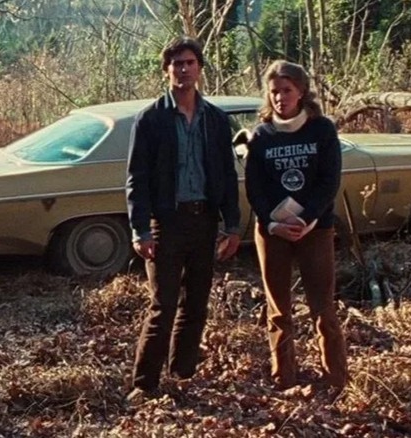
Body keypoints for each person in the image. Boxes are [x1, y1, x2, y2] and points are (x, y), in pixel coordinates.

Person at [125, 36, 241, 402]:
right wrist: (140, 229)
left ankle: (183, 375)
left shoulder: (216, 120)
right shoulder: (151, 119)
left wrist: (232, 226)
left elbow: (225, 173)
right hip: (166, 223)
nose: (184, 69)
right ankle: (144, 385)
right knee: (164, 304)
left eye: (190, 62)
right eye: (177, 64)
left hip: (203, 221)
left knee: (196, 304)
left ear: (199, 68)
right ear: (166, 71)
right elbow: (136, 178)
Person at [244, 60, 348, 392]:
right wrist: (271, 223)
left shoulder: (322, 130)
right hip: (273, 232)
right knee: (278, 310)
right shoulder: (261, 135)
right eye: (274, 92)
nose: (280, 98)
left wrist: (308, 217)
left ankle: (336, 379)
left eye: (286, 91)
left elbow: (329, 180)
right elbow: (254, 187)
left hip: (314, 229)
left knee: (323, 309)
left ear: (301, 91)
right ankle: (283, 378)